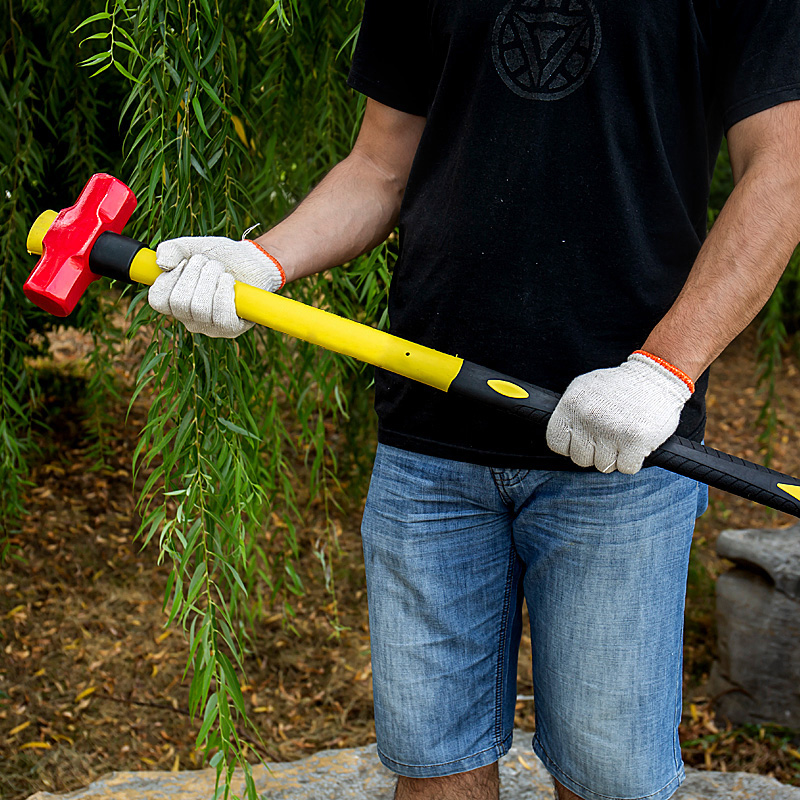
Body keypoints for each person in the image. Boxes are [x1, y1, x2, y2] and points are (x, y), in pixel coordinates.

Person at [148, 2, 800, 798]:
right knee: (432, 767)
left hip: (621, 450)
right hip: (429, 444)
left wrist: (663, 370)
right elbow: (379, 167)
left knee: (612, 780)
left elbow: (785, 169)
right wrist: (263, 261)